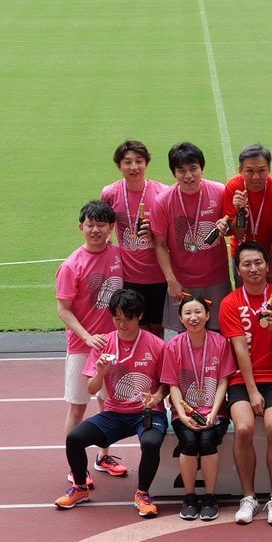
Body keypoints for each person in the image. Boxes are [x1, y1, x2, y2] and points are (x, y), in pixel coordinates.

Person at [55, 290, 167, 517]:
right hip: (115, 413)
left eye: (128, 319)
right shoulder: (103, 343)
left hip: (148, 412)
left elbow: (168, 382)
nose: (122, 324)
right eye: (117, 319)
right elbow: (92, 388)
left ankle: (142, 494)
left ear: (140, 316)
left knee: (151, 443)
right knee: (74, 438)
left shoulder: (156, 344)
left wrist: (157, 397)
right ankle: (80, 487)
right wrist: (101, 371)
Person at [218, 242, 272, 525]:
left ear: (267, 265)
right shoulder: (230, 303)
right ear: (238, 270)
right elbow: (240, 349)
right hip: (242, 379)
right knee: (243, 429)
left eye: (258, 263)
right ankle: (249, 497)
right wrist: (252, 391)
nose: (253, 269)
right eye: (246, 264)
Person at [55, 200, 129, 481]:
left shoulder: (119, 256)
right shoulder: (71, 265)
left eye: (101, 225)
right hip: (82, 347)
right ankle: (76, 468)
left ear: (111, 228)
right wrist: (87, 337)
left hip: (112, 346)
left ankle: (103, 456)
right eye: (90, 225)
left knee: (108, 406)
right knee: (77, 406)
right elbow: (63, 309)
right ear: (81, 227)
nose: (95, 230)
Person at [161, 293, 236, 522]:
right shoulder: (173, 346)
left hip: (215, 412)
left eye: (198, 312)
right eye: (188, 313)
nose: (193, 317)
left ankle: (210, 497)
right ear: (180, 318)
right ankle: (190, 497)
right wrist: (183, 416)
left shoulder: (220, 342)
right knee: (190, 442)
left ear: (207, 315)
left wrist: (213, 412)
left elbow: (223, 381)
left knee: (206, 441)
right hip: (184, 413)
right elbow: (173, 385)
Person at [150, 140, 231, 333]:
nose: (188, 176)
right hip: (183, 281)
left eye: (193, 169)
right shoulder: (162, 201)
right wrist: (171, 280)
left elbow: (232, 228)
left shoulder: (219, 192)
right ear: (174, 173)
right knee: (186, 332)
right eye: (181, 170)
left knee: (218, 332)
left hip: (217, 278)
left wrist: (227, 227)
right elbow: (159, 244)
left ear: (202, 169)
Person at [101, 139, 171, 336]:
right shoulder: (110, 193)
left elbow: (172, 233)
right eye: (127, 162)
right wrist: (107, 239)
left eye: (139, 161)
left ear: (146, 163)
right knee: (135, 327)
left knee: (156, 328)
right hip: (129, 275)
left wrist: (156, 230)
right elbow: (103, 222)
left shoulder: (163, 192)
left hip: (158, 274)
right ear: (119, 165)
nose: (134, 167)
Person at [224, 144, 272, 290]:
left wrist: (269, 271)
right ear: (240, 170)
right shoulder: (234, 187)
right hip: (243, 252)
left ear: (269, 169)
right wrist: (240, 210)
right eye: (249, 171)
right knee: (244, 297)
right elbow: (238, 234)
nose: (256, 177)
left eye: (262, 170)